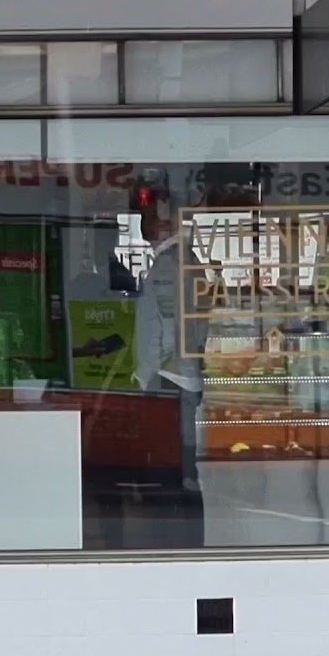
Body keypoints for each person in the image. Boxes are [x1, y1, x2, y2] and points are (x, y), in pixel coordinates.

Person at [131, 169, 206, 547]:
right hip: (182, 374)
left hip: (169, 377)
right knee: (183, 462)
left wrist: (146, 374)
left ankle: (174, 541)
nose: (146, 224)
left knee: (170, 465)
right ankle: (186, 537)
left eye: (152, 216)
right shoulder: (184, 259)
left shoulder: (169, 263)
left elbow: (165, 327)